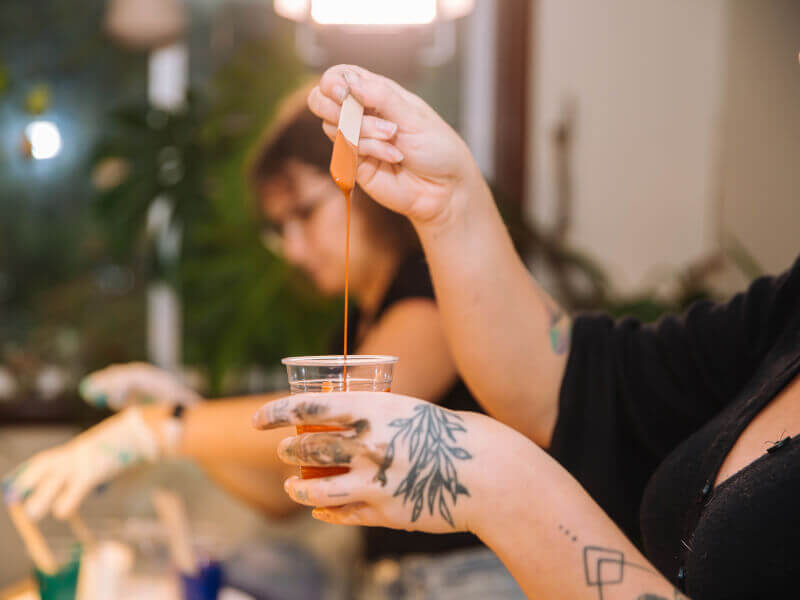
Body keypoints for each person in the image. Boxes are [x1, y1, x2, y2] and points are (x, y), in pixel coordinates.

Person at [249, 65, 800, 600]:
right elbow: (569, 385)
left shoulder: (416, 293)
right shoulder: (785, 317)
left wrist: (502, 488)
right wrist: (448, 202)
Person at [3, 86, 524, 599]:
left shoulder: (433, 290)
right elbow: (287, 491)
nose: (292, 249)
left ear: (369, 186)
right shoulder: (354, 322)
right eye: (279, 229)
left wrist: (161, 428)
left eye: (304, 214)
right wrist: (179, 412)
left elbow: (349, 425)